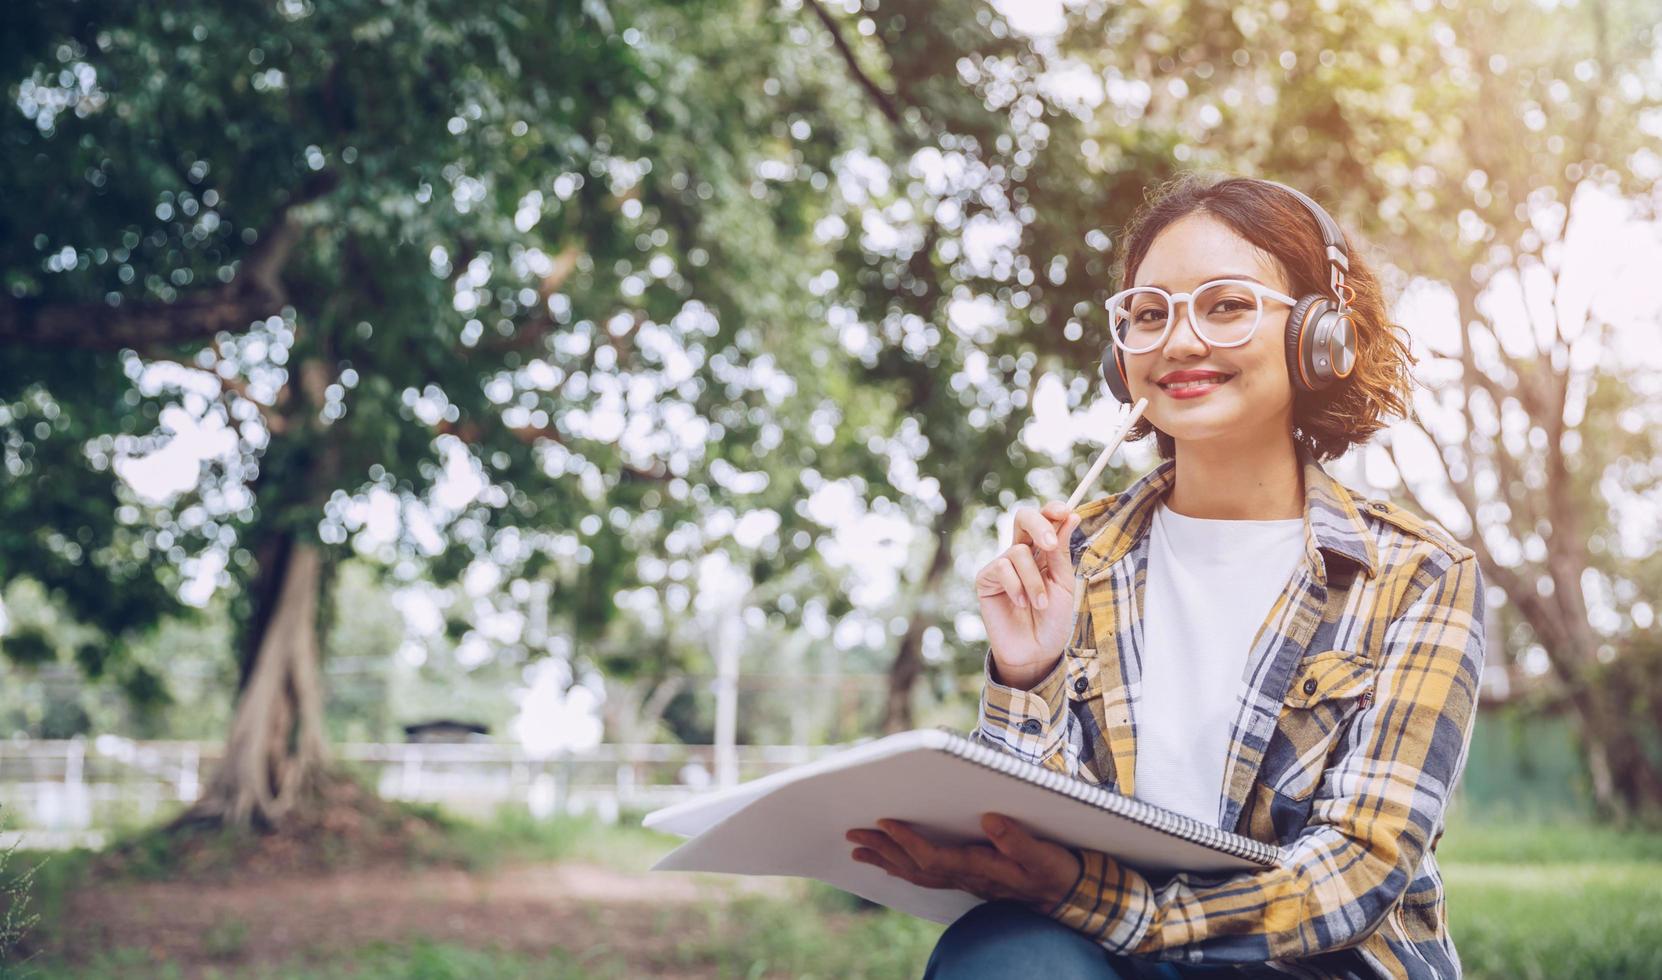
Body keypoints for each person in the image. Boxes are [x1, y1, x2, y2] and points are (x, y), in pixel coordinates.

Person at [843, 173, 1485, 978]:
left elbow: (1358, 868)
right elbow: (1030, 829)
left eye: (1225, 306)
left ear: (1322, 336)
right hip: (1100, 944)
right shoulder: (1076, 555)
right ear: (1124, 358)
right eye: (1150, 315)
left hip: (1312, 963)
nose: (1179, 343)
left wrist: (1113, 902)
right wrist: (1026, 669)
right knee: (1001, 956)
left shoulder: (1420, 574)